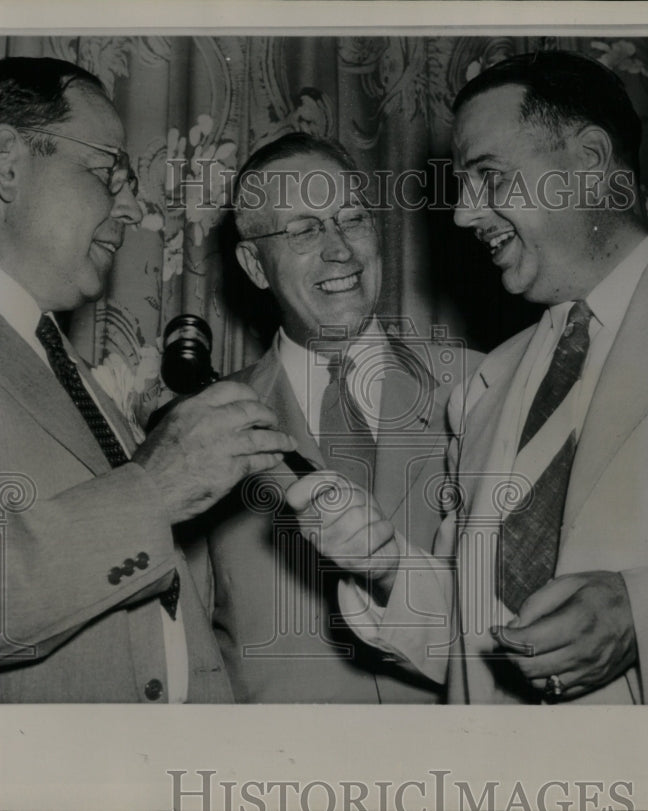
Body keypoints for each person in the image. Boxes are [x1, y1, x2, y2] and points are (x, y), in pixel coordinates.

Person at [286, 50, 648, 704]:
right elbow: (479, 640)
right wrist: (391, 564)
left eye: (489, 178)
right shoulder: (486, 387)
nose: (463, 214)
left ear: (589, 164)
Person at [0, 57, 295, 702]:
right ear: (8, 161)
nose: (132, 205)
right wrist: (154, 488)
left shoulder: (60, 362)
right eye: (107, 169)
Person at [203, 133, 476, 702]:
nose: (341, 251)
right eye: (304, 230)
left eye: (352, 219)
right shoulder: (199, 426)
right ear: (255, 264)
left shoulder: (483, 386)